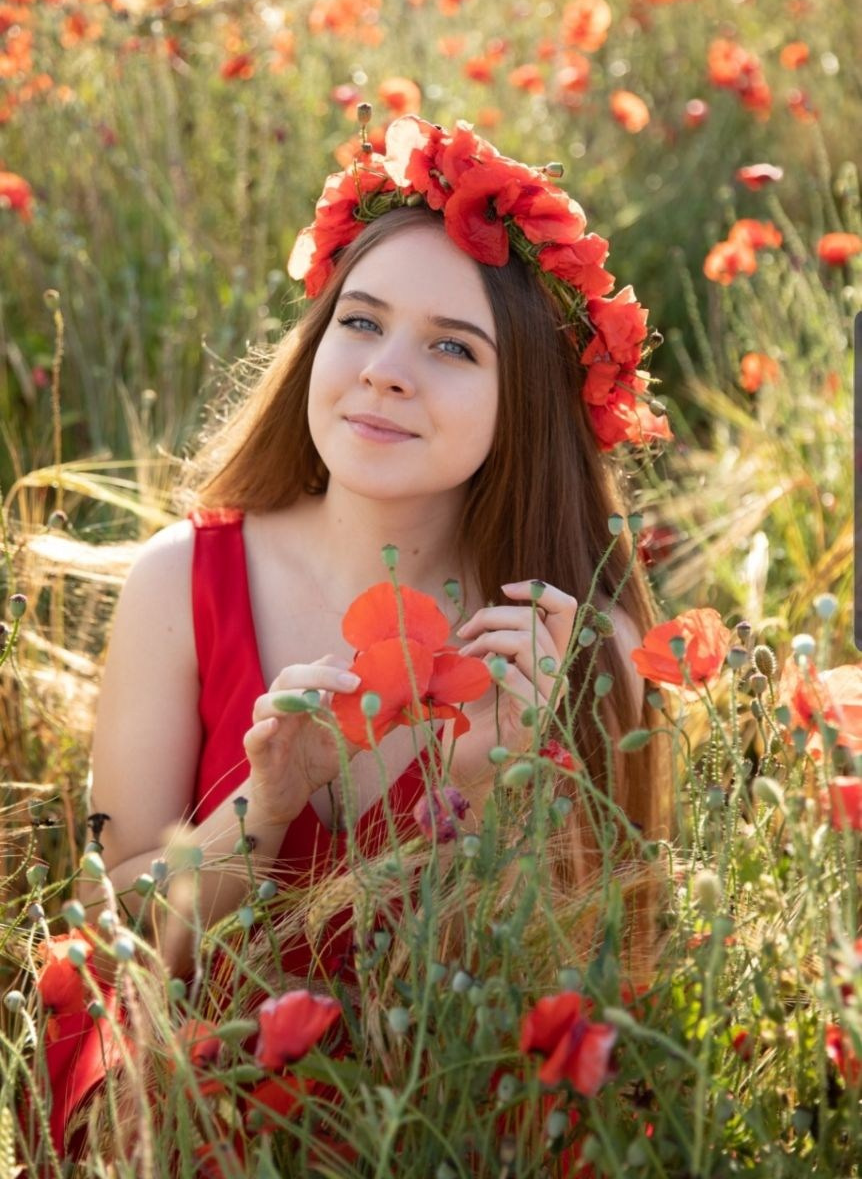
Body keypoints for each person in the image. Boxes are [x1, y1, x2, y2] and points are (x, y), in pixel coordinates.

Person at [48, 112, 671, 1155]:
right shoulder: (181, 580)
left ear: (527, 401)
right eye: (361, 321)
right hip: (201, 1102)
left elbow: (599, 997)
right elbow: (118, 944)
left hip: (444, 1119)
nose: (385, 369)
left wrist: (506, 780)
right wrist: (265, 805)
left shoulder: (578, 645)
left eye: (449, 346)